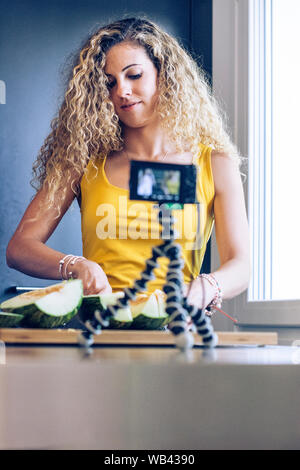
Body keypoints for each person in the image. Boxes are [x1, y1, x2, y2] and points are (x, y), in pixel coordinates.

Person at [6, 17, 250, 313]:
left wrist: (207, 287)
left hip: (176, 336)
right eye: (109, 83)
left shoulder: (214, 164)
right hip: (98, 333)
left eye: (134, 75)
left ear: (165, 75)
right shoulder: (83, 161)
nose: (121, 91)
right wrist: (77, 266)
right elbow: (20, 248)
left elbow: (240, 265)